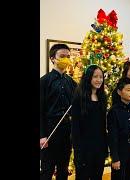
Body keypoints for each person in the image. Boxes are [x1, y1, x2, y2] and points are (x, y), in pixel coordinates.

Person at [40, 44, 77, 180]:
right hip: (49, 130)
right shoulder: (44, 82)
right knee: (47, 170)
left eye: (68, 56)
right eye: (62, 56)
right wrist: (42, 136)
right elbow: (40, 110)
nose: (66, 59)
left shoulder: (71, 83)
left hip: (66, 131)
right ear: (52, 58)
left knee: (63, 168)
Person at [71, 64, 108, 180]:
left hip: (99, 147)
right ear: (88, 78)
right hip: (83, 148)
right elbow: (75, 127)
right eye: (95, 77)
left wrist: (105, 148)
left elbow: (102, 125)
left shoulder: (102, 96)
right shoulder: (79, 97)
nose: (99, 80)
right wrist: (78, 151)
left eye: (101, 77)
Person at [107, 77, 130, 180]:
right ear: (119, 92)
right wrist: (115, 158)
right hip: (120, 149)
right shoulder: (114, 111)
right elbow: (112, 135)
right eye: (128, 90)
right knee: (118, 177)